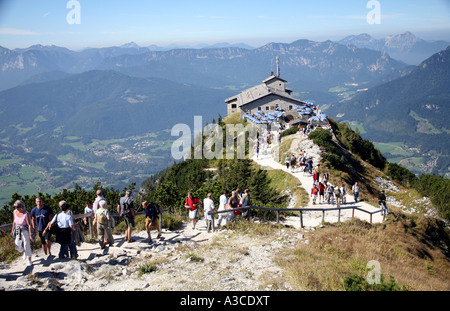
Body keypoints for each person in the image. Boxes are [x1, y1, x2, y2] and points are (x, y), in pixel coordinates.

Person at [11, 200, 34, 266]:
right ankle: (24, 251)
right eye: (15, 207)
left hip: (25, 231)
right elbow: (14, 222)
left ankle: (29, 260)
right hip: (18, 230)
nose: (16, 208)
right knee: (17, 246)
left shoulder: (26, 214)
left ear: (21, 206)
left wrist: (30, 234)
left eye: (17, 207)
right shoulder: (15, 212)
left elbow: (29, 224)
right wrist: (12, 230)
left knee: (27, 246)